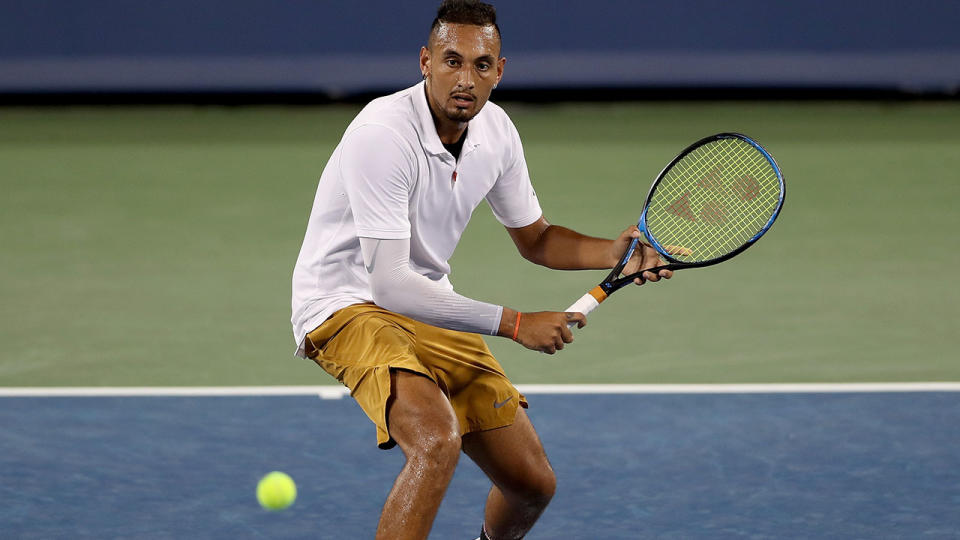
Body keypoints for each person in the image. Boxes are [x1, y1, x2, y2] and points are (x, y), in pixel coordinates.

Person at [291, 1, 672, 538]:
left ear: (500, 70)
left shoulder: (496, 133)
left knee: (531, 484)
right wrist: (517, 323)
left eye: (482, 65)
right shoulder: (383, 133)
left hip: (424, 302)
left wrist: (614, 253)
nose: (466, 79)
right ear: (425, 62)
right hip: (346, 303)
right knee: (434, 440)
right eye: (452, 61)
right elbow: (390, 284)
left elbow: (537, 239)